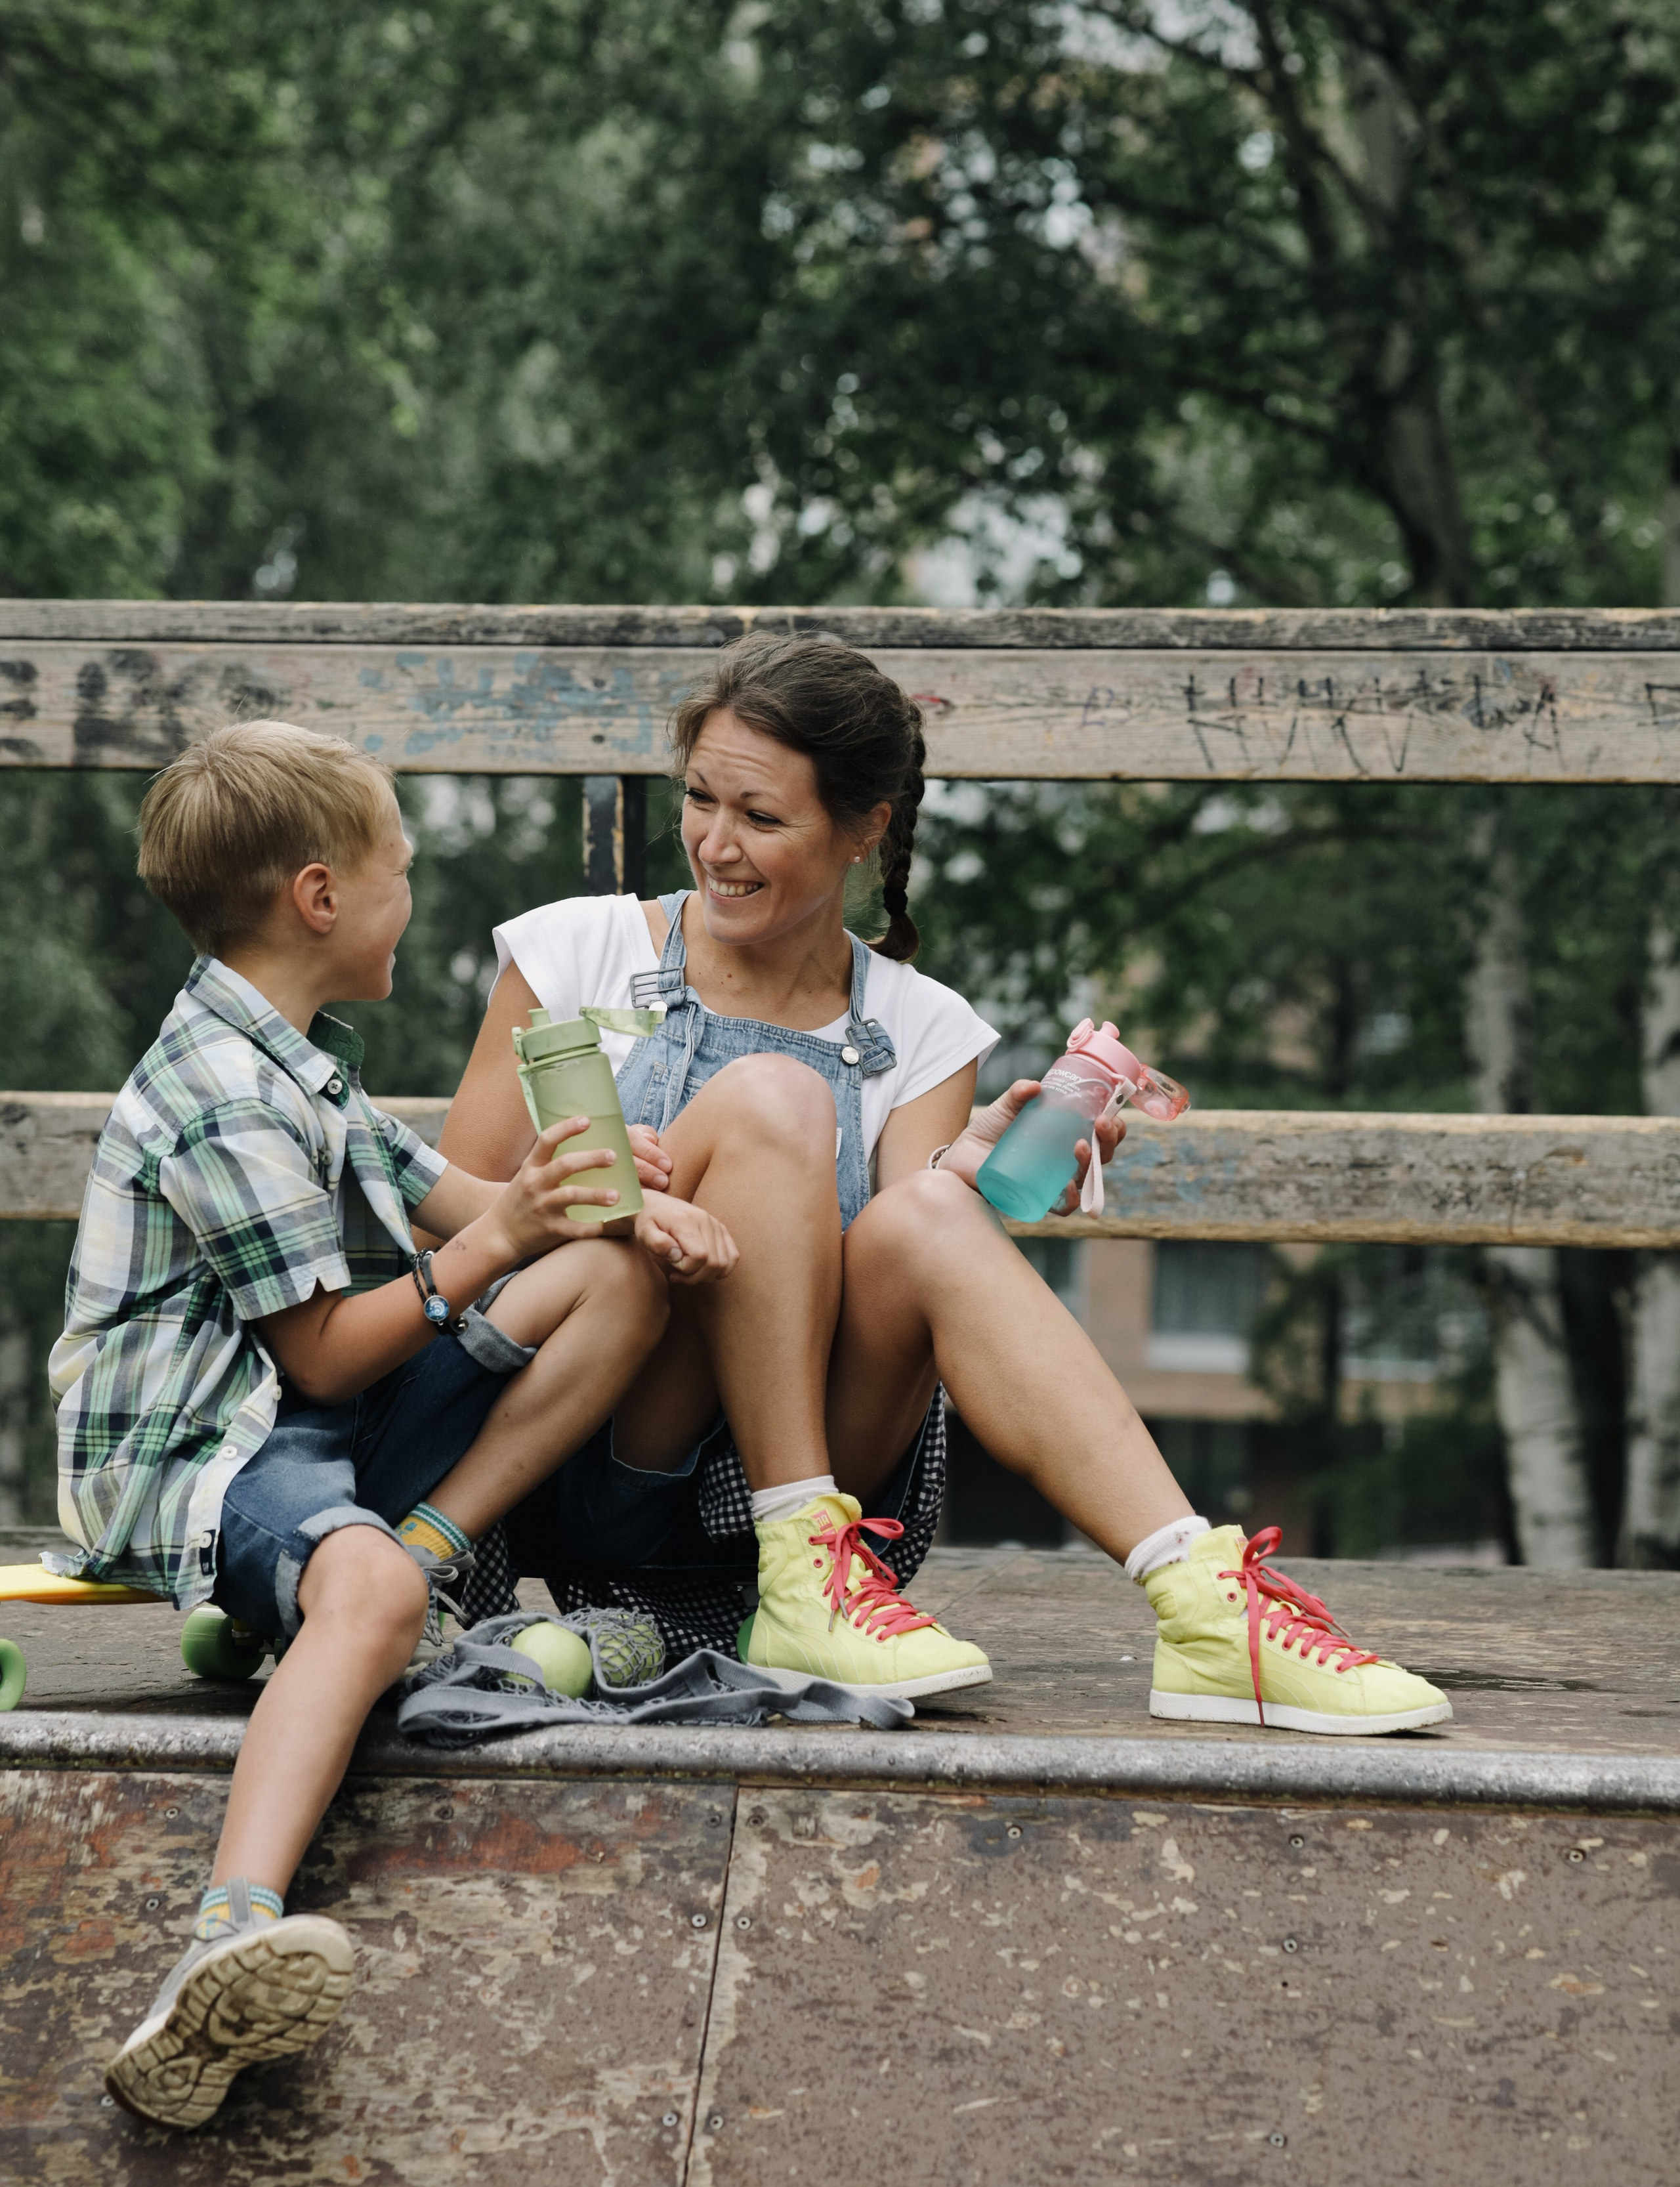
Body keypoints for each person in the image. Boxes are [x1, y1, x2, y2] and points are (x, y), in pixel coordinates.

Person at [442, 633, 1451, 1733]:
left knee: (927, 1210)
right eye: (700, 800)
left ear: (864, 830)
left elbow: (882, 1277)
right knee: (774, 1099)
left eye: (762, 817)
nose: (715, 845)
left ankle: (1204, 1603)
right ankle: (808, 1572)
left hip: (778, 1501)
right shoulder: (574, 952)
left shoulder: (920, 1026)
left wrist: (961, 1175)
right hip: (578, 1446)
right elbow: (456, 1238)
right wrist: (587, 1203)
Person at [50, 721, 735, 2131]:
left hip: (301, 1426)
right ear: (320, 896)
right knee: (359, 1591)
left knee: (613, 1282)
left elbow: (461, 1204)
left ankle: (407, 1563)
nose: (411, 898)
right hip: (195, 1452)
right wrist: (503, 1241)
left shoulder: (304, 1065)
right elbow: (324, 1352)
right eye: (400, 870)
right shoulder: (218, 1093)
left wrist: (604, 1204)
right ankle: (222, 1938)